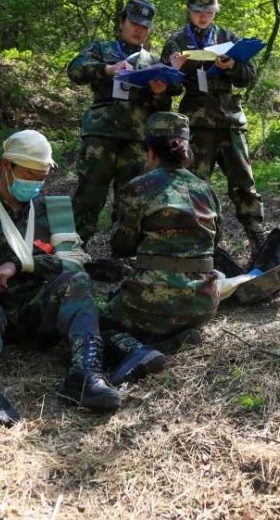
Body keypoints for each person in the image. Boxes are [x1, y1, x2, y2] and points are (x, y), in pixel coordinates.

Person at [0, 130, 139, 439]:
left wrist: (21, 264)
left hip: (35, 308)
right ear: (6, 166)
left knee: (77, 280)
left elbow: (73, 259)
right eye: (29, 174)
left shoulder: (54, 211)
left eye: (41, 176)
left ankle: (85, 376)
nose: (36, 183)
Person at [101, 112, 223, 384]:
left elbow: (122, 246)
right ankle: (176, 337)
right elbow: (216, 243)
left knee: (96, 322)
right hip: (203, 303)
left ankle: (146, 347)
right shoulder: (205, 188)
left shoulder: (138, 187)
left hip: (151, 302)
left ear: (151, 152)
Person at [159, 0, 266, 254]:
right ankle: (201, 245)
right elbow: (167, 90)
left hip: (230, 119)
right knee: (195, 186)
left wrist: (232, 66)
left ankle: (258, 239)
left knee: (244, 183)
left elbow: (247, 78)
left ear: (216, 10)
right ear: (188, 10)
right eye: (198, 11)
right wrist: (173, 70)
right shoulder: (177, 41)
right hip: (196, 122)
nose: (204, 16)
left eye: (209, 10)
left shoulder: (228, 38)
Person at [67, 0, 178, 243]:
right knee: (89, 192)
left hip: (136, 137)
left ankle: (123, 253)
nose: (139, 30)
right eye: (135, 24)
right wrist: (108, 69)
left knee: (131, 196)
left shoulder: (152, 61)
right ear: (122, 22)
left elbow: (161, 106)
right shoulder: (102, 49)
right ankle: (73, 248)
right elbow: (74, 70)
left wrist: (160, 92)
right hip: (101, 133)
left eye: (145, 27)